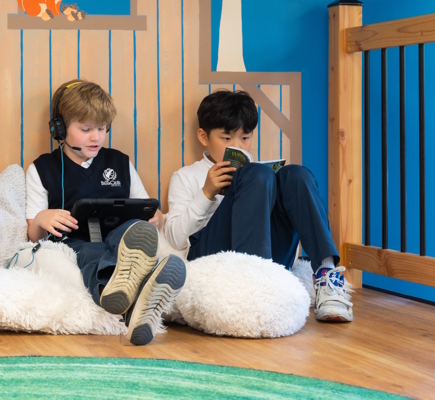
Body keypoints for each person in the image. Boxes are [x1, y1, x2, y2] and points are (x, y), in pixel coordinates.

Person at [164, 89, 353, 322]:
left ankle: (326, 276)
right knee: (255, 174)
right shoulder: (186, 176)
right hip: (214, 259)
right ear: (204, 136)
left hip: (268, 261)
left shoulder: (261, 172)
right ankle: (252, 284)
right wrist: (207, 193)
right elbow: (174, 238)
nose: (238, 146)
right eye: (226, 139)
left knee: (295, 174)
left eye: (245, 138)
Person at [26, 79, 186, 345]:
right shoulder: (42, 169)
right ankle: (125, 294)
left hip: (121, 235)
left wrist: (154, 218)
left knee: (139, 231)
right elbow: (32, 234)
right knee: (93, 253)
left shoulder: (120, 162)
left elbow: (145, 207)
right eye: (86, 128)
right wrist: (43, 218)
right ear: (60, 128)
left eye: (102, 128)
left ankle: (133, 281)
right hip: (76, 240)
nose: (96, 137)